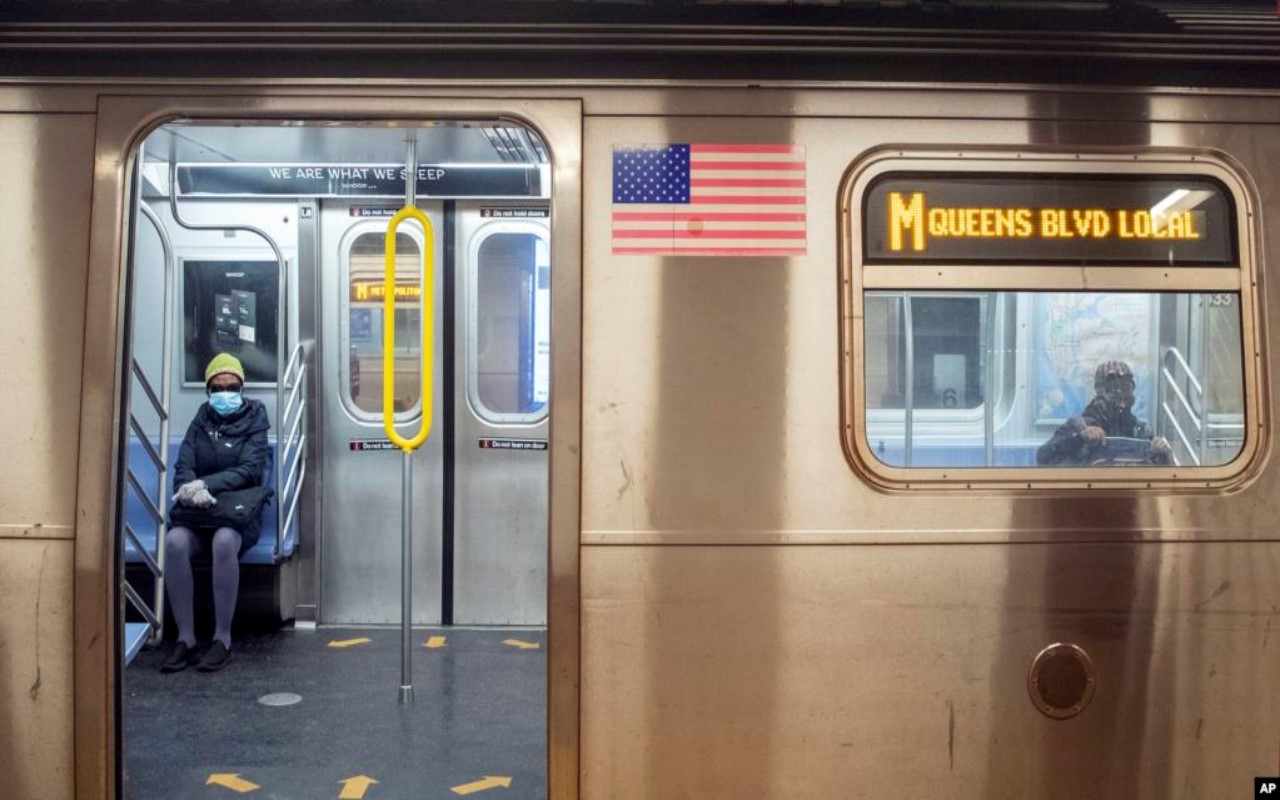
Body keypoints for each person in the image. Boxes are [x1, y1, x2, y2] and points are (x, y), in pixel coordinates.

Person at [160, 353, 270, 672]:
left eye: (231, 386)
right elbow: (184, 464)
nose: (225, 393)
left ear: (241, 387)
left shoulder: (256, 418)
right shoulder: (201, 419)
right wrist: (188, 489)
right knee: (175, 543)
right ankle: (186, 638)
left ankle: (222, 638)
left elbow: (250, 470)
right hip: (198, 514)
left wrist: (205, 484)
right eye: (218, 387)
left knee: (223, 542)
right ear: (208, 391)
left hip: (236, 516)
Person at [1036, 360, 1173, 467]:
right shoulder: (1078, 425)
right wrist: (1079, 437)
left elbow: (1161, 467)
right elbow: (1043, 457)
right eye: (1113, 387)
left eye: (1126, 387)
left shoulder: (1140, 427)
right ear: (1099, 390)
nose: (1120, 393)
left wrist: (1160, 452)